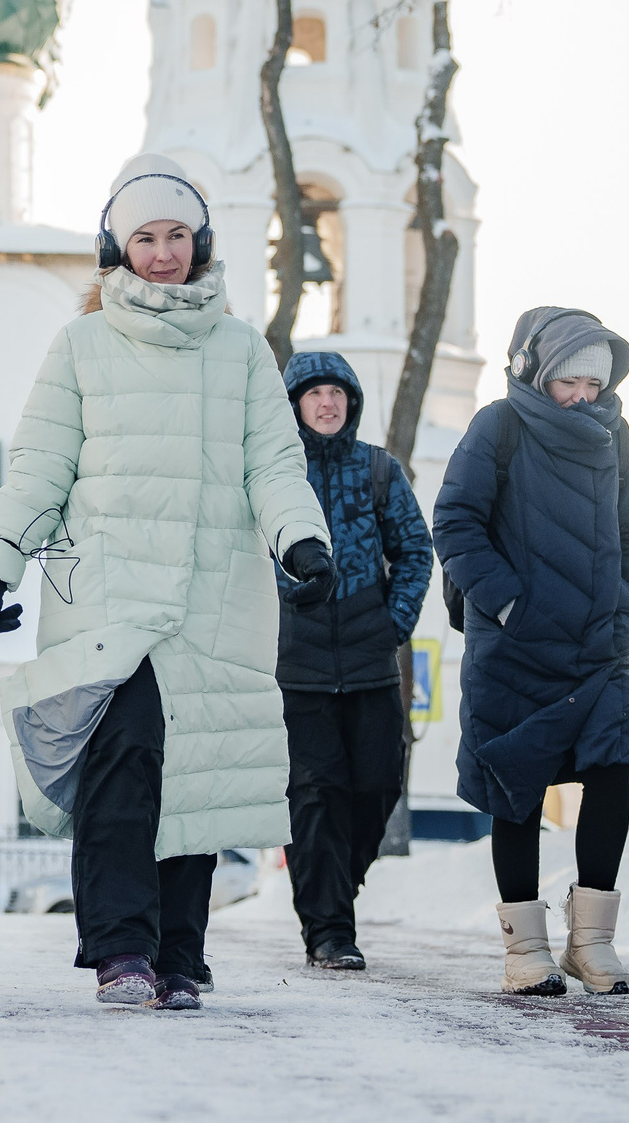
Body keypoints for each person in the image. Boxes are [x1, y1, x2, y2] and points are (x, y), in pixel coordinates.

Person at [0, 153, 333, 1011]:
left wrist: (302, 541)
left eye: (178, 235)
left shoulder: (242, 349)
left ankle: (180, 955)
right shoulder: (82, 344)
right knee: (124, 758)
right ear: (117, 247)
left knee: (194, 775)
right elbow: (41, 464)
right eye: (146, 237)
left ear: (200, 243)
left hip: (212, 594)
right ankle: (122, 948)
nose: (164, 253)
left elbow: (273, 464)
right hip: (106, 592)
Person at [432, 307, 629, 997]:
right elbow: (455, 521)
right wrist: (508, 605)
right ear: (535, 372)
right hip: (516, 648)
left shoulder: (615, 435)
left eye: (595, 383)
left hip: (600, 646)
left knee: (613, 768)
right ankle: (525, 951)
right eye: (569, 381)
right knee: (516, 784)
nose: (583, 395)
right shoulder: (498, 426)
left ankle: (592, 943)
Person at [274, 350, 435, 972]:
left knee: (379, 783)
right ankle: (329, 930)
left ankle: (335, 889)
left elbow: (415, 551)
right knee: (315, 795)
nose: (327, 403)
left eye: (337, 393)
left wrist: (394, 624)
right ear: (294, 405)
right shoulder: (273, 473)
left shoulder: (378, 470)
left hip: (371, 662)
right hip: (297, 666)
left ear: (352, 403)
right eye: (314, 394)